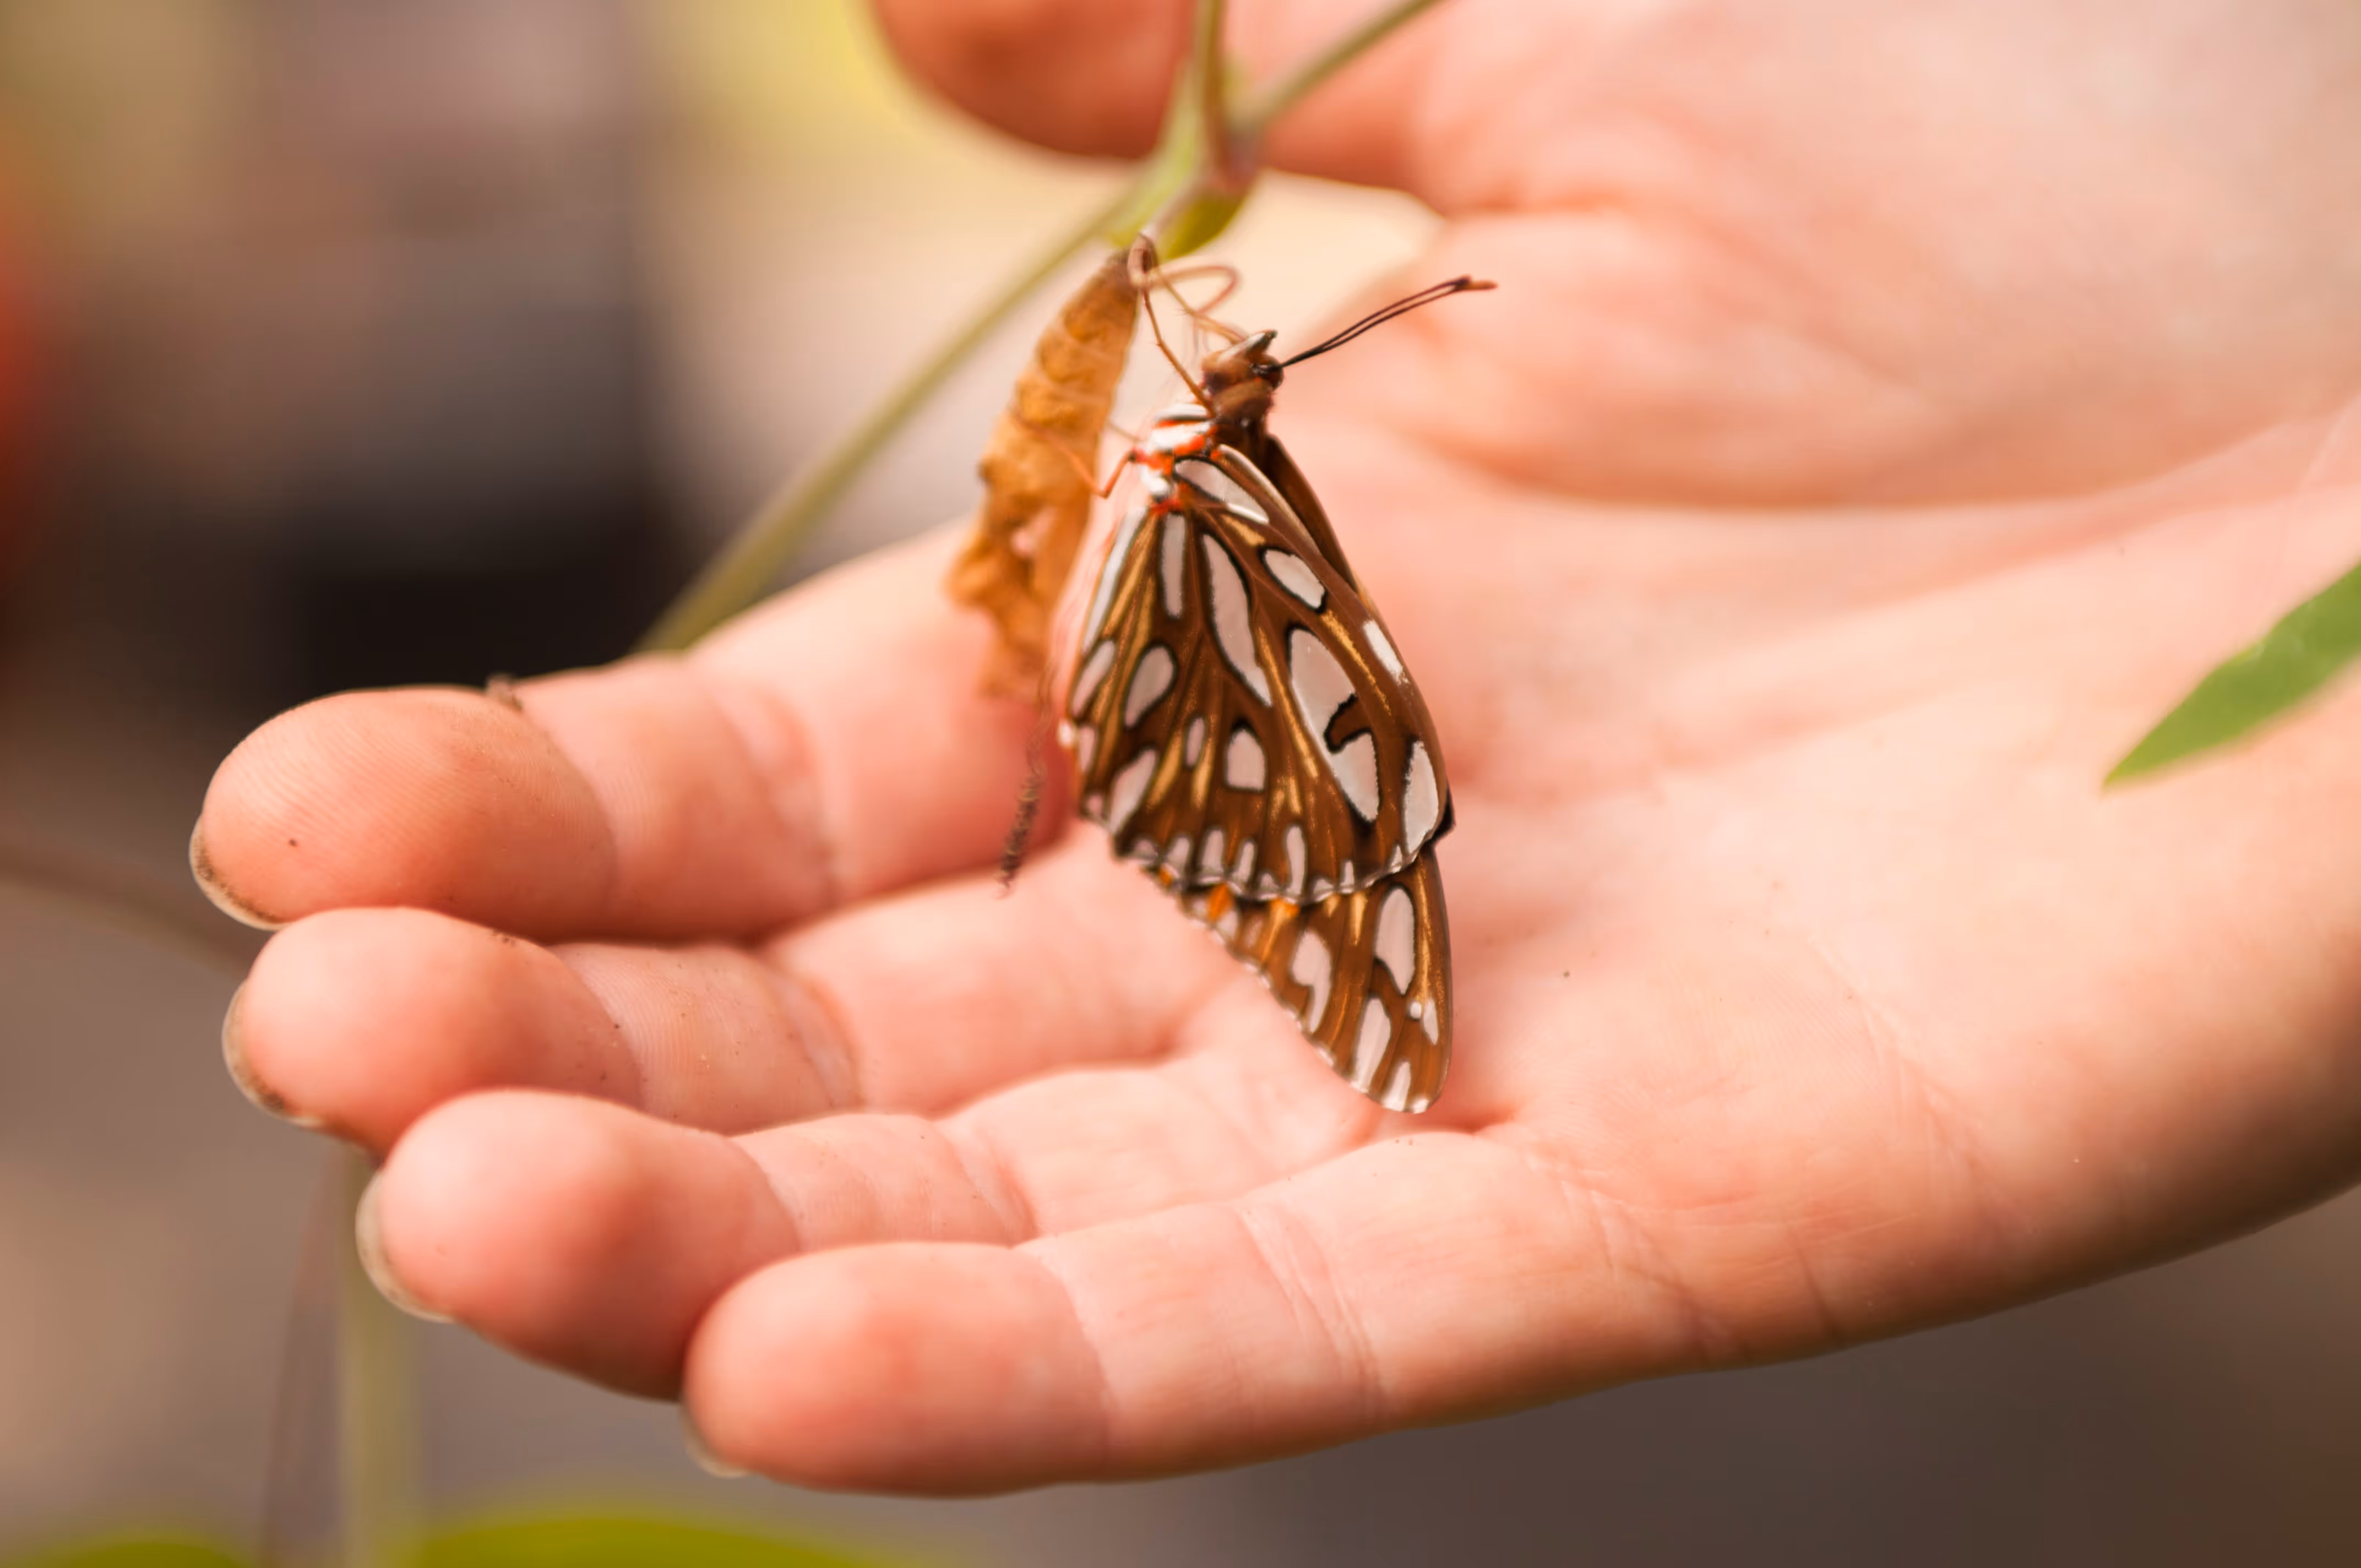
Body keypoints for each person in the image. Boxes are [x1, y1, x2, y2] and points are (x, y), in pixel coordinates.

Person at [192, 0, 2361, 1493]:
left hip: (1203, 703)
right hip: (1166, 658)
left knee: (1269, 691)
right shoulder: (1201, 462)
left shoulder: (1221, 495)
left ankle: (1220, 864)